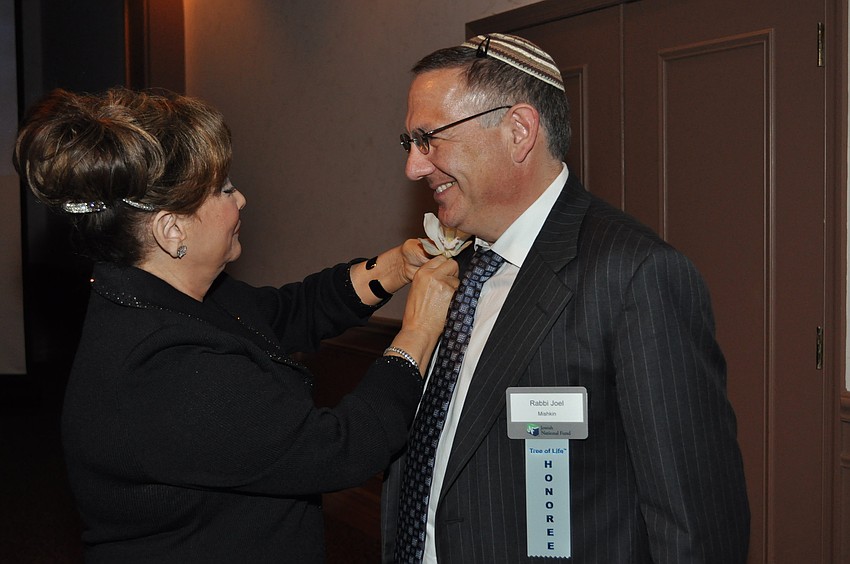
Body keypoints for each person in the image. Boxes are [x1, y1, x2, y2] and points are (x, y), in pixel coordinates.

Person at [13, 86, 459, 564]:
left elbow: (292, 312)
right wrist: (418, 332)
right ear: (172, 230)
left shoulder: (165, 295)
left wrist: (394, 268)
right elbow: (340, 450)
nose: (241, 199)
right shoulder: (163, 369)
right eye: (224, 190)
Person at [381, 33, 750, 563]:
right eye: (409, 144)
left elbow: (695, 526)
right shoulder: (450, 272)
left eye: (429, 139)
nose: (414, 167)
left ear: (519, 131)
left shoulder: (635, 275)